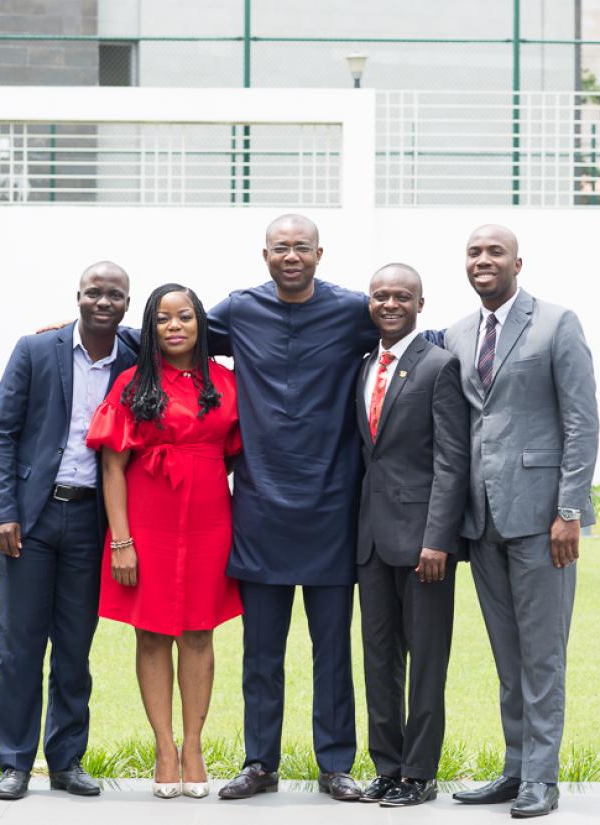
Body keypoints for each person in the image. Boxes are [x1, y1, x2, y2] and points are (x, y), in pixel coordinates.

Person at [212, 214, 381, 802]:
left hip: (333, 506)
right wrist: (87, 331)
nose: (291, 256)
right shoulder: (239, 311)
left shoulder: (353, 312)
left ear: (319, 254)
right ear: (264, 256)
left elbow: (407, 330)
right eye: (280, 248)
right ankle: (260, 763)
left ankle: (335, 765)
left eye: (301, 248)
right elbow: (169, 333)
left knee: (332, 650)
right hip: (259, 508)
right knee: (261, 652)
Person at [445, 225, 599, 818]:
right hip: (482, 521)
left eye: (495, 253)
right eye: (474, 253)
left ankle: (542, 776)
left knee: (542, 654)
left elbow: (582, 422)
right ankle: (514, 768)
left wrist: (568, 511)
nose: (483, 260)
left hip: (542, 520)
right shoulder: (458, 333)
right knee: (507, 655)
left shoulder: (557, 324)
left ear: (517, 263)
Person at [0, 261, 136, 801]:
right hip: (31, 517)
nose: (103, 301)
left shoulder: (134, 358)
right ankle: (15, 763)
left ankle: (67, 760)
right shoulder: (35, 351)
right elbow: (3, 433)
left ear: (125, 304)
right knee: (20, 647)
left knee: (74, 647)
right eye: (94, 292)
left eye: (114, 295)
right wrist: (4, 511)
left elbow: (174, 330)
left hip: (93, 519)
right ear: (77, 297)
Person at [86, 283, 242, 800]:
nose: (175, 327)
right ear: (150, 329)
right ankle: (164, 747)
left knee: (199, 632)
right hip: (146, 518)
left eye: (185, 317)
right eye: (163, 319)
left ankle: (194, 745)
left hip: (208, 519)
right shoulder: (133, 383)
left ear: (201, 324)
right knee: (151, 633)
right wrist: (121, 541)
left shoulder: (225, 381)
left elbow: (242, 452)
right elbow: (112, 465)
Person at [353, 264, 469, 808]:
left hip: (425, 545)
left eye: (403, 296)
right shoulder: (362, 367)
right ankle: (387, 766)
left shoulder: (440, 366)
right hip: (371, 543)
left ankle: (419, 773)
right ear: (370, 304)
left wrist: (438, 539)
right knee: (378, 659)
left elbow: (452, 461)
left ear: (421, 305)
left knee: (425, 661)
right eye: (381, 296)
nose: (391, 303)